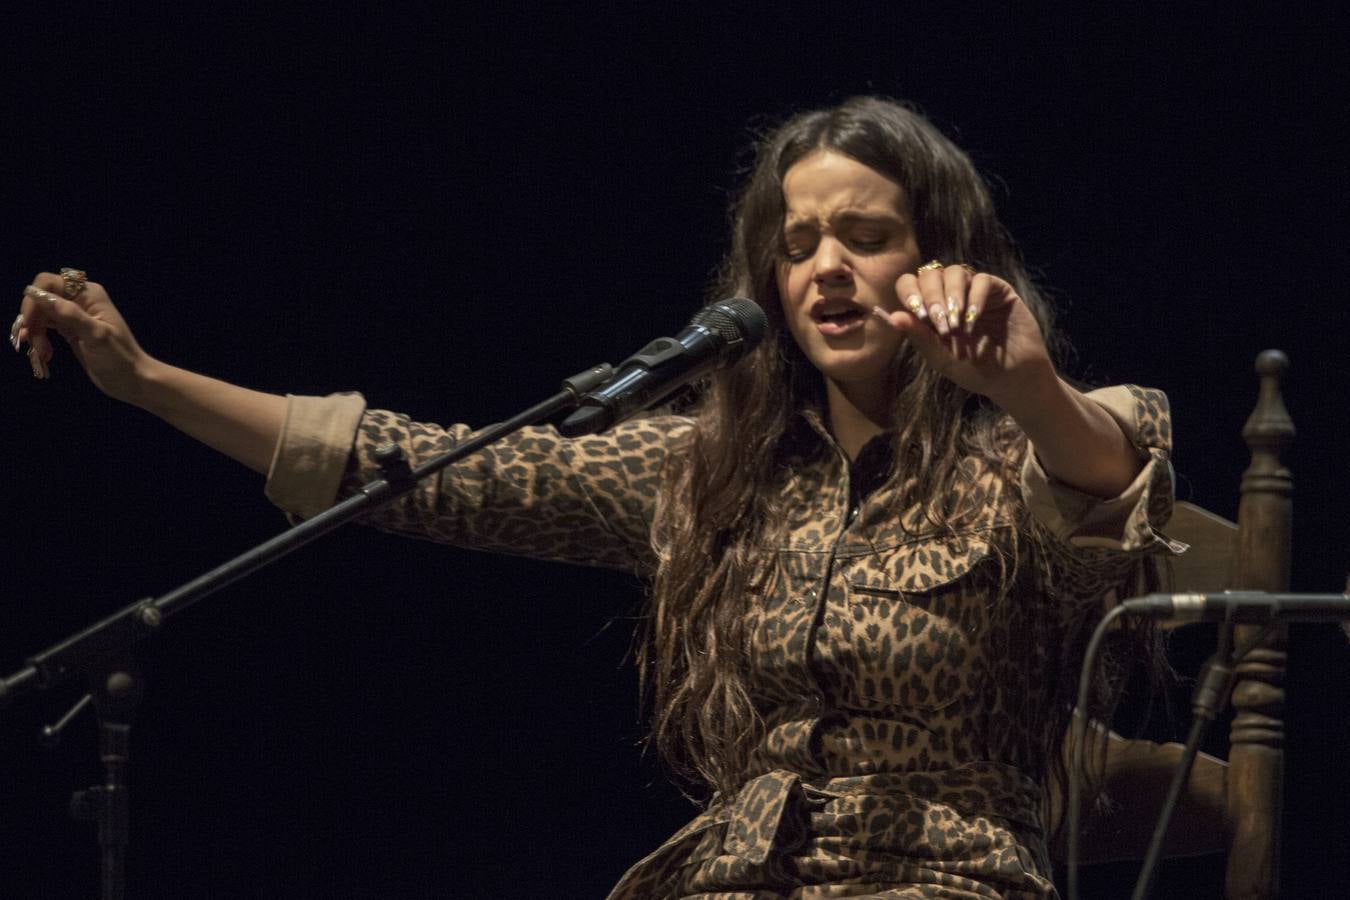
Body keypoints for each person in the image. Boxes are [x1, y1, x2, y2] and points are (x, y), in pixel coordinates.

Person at [13, 96, 1185, 898]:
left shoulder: (1029, 447)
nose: (825, 265)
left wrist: (1027, 384)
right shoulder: (713, 471)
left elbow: (1103, 477)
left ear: (939, 252)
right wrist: (149, 381)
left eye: (865, 236)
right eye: (798, 244)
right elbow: (441, 474)